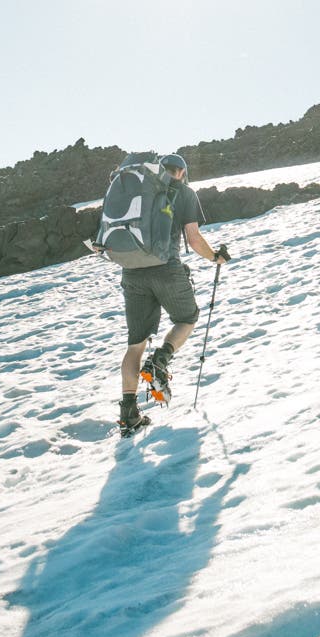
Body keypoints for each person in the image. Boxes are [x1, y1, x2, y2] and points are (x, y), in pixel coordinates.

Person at [118, 152, 229, 434]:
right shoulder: (184, 193)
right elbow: (193, 237)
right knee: (187, 317)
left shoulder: (138, 193)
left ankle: (129, 415)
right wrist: (215, 256)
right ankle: (160, 361)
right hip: (166, 268)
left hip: (132, 271)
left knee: (135, 344)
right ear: (181, 172)